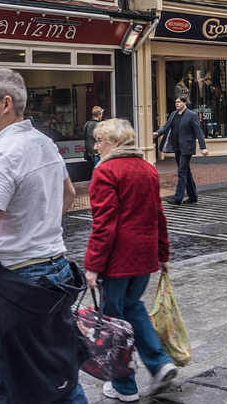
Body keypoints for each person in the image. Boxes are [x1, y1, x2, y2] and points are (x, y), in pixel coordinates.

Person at [0, 69, 87, 404]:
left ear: (6, 104)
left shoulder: (1, 153)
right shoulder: (43, 142)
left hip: (17, 281)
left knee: (3, 380)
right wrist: (42, 228)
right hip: (56, 270)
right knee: (58, 372)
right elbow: (68, 193)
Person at [83, 118, 179, 402]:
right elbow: (158, 214)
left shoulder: (106, 172)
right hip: (145, 254)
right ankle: (160, 363)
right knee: (133, 307)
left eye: (99, 140)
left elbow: (104, 224)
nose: (95, 146)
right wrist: (163, 254)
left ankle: (124, 386)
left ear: (114, 143)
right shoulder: (147, 169)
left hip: (117, 260)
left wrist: (92, 265)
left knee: (113, 321)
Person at [153, 95, 209, 205]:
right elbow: (166, 126)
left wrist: (203, 148)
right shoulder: (173, 114)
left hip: (187, 148)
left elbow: (199, 132)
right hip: (176, 147)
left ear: (184, 103)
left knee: (181, 171)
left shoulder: (192, 115)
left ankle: (178, 198)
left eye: (179, 102)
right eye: (176, 102)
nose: (177, 104)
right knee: (186, 171)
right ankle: (192, 196)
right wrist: (157, 133)